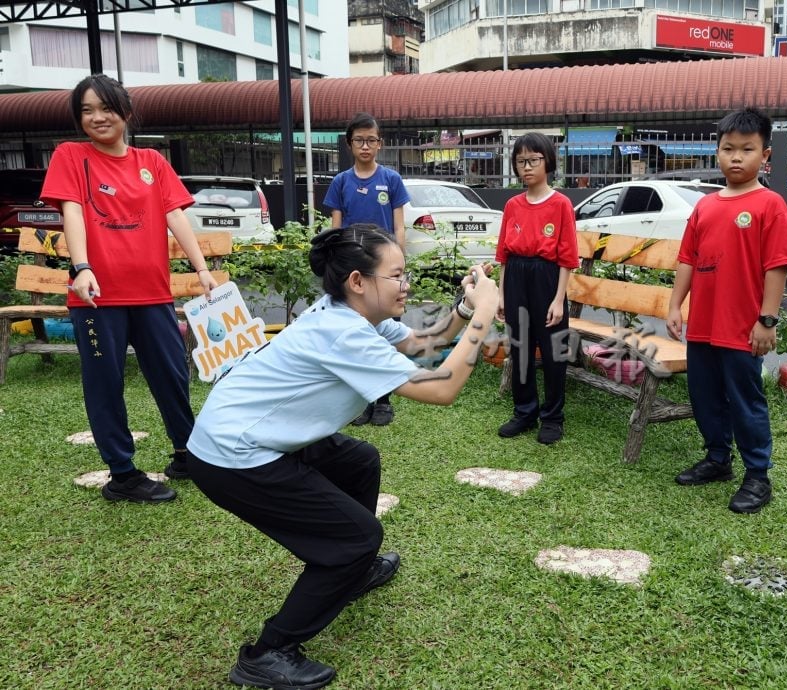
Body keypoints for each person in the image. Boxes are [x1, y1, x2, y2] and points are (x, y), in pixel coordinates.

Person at [187, 223, 499, 689]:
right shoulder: (342, 332)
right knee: (357, 538)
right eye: (396, 276)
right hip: (233, 455)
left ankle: (353, 573)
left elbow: (420, 343)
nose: (406, 284)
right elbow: (443, 388)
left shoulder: (351, 315)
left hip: (253, 435)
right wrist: (485, 317)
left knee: (359, 460)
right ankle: (267, 653)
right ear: (358, 281)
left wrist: (463, 308)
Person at [40, 74, 216, 504]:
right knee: (105, 382)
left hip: (153, 293)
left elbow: (175, 216)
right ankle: (122, 474)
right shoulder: (72, 156)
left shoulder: (151, 161)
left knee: (172, 374)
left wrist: (202, 268)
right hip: (96, 297)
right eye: (86, 110)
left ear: (125, 112)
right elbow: (73, 212)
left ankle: (186, 453)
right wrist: (81, 267)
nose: (97, 118)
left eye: (105, 108)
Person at [665, 108, 787, 514]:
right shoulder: (704, 206)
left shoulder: (769, 205)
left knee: (746, 400)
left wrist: (766, 321)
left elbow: (777, 266)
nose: (736, 157)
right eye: (728, 149)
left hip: (742, 328)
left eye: (747, 149)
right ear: (717, 152)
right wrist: (674, 304)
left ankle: (758, 475)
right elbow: (688, 258)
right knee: (704, 396)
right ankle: (717, 459)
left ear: (765, 154)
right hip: (703, 325)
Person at [323, 112, 410, 427]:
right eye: (359, 140)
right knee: (355, 334)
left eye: (371, 140)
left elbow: (399, 227)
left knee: (386, 332)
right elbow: (335, 229)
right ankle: (361, 401)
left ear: (380, 144)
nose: (365, 146)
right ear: (349, 144)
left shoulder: (391, 180)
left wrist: (398, 265)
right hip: (354, 273)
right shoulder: (341, 182)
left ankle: (383, 401)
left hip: (383, 270)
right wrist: (336, 268)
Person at [495, 132, 579, 445]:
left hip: (547, 278)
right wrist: (502, 294)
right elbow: (504, 255)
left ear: (548, 162)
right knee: (520, 347)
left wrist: (559, 300)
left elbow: (568, 257)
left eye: (533, 160)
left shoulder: (561, 204)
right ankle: (524, 412)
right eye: (520, 161)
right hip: (516, 274)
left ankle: (553, 417)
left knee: (554, 351)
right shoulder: (513, 205)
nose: (527, 167)